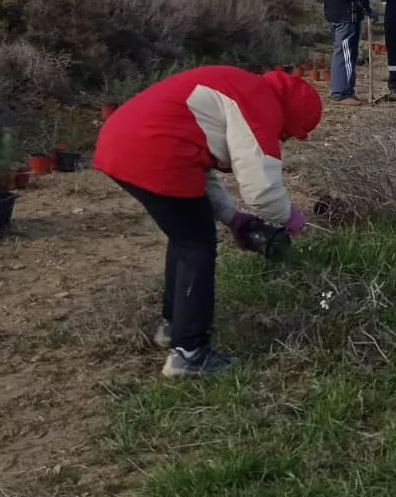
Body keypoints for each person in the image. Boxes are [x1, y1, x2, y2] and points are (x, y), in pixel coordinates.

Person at [93, 66, 320, 376]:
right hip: (152, 149)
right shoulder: (259, 102)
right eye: (288, 134)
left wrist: (232, 218)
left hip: (122, 141)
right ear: (290, 116)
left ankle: (173, 327)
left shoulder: (238, 86)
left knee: (185, 234)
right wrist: (290, 218)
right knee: (196, 245)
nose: (283, 139)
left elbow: (199, 169)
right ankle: (189, 352)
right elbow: (261, 190)